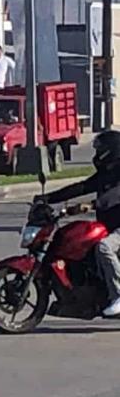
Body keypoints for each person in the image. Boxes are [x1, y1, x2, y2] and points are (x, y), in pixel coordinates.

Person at [40, 130, 120, 316]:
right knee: (81, 244)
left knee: (104, 248)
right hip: (109, 226)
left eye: (101, 149)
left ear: (112, 150)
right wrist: (47, 198)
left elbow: (114, 195)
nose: (97, 154)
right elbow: (83, 186)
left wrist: (92, 204)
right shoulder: (106, 173)